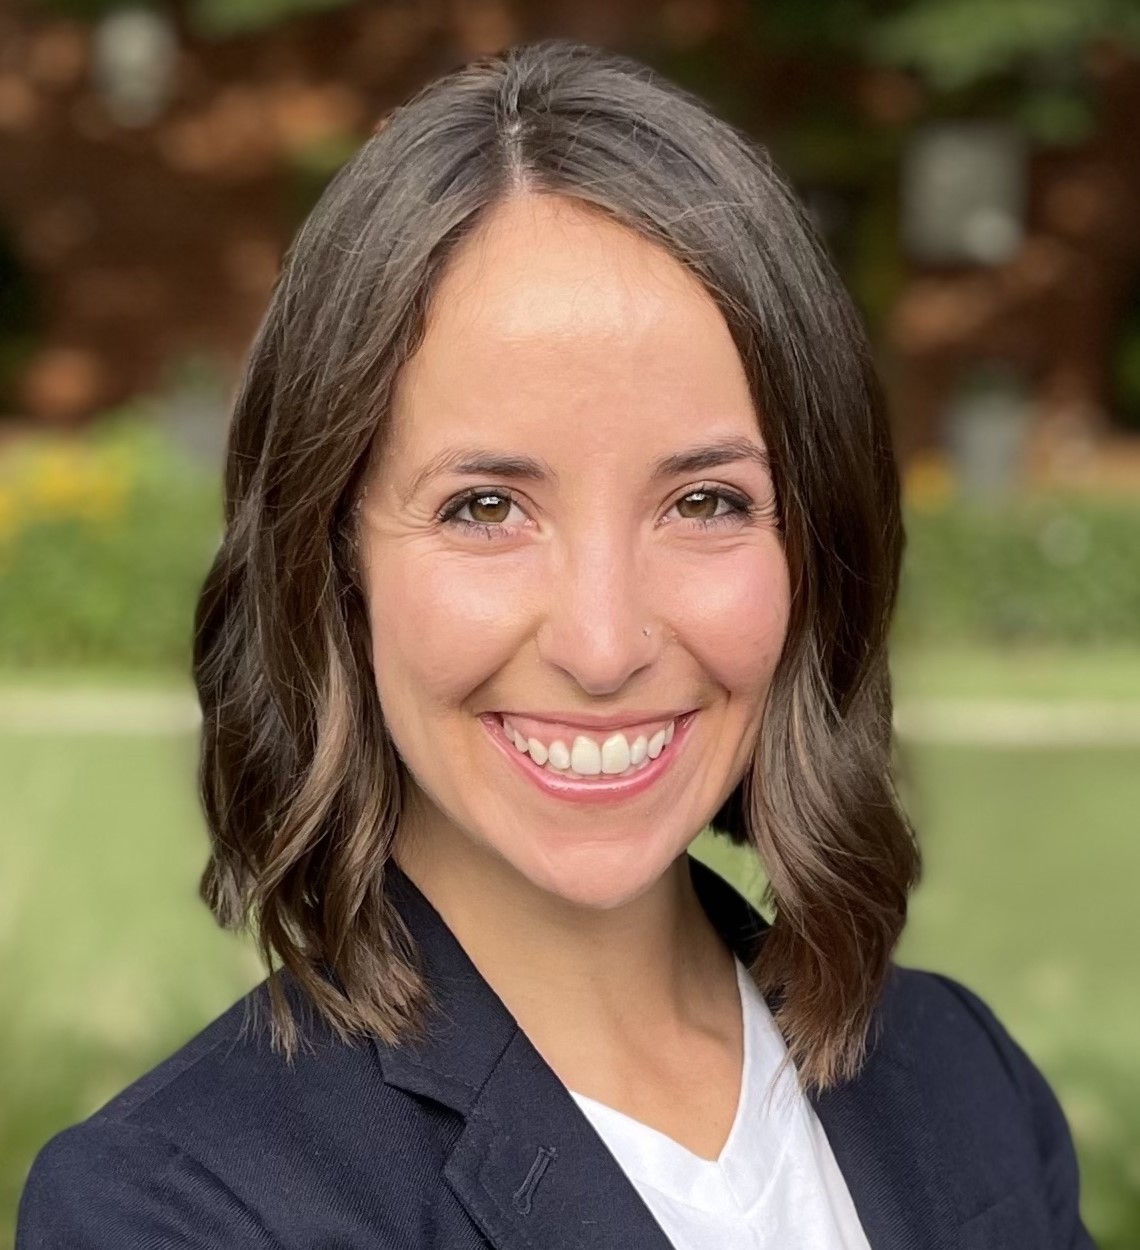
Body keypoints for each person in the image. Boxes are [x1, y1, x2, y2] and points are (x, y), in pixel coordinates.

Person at [17, 38, 1093, 1250]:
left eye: (706, 502)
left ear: (820, 551)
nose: (601, 642)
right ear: (332, 565)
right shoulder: (181, 1208)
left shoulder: (966, 1083)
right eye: (486, 506)